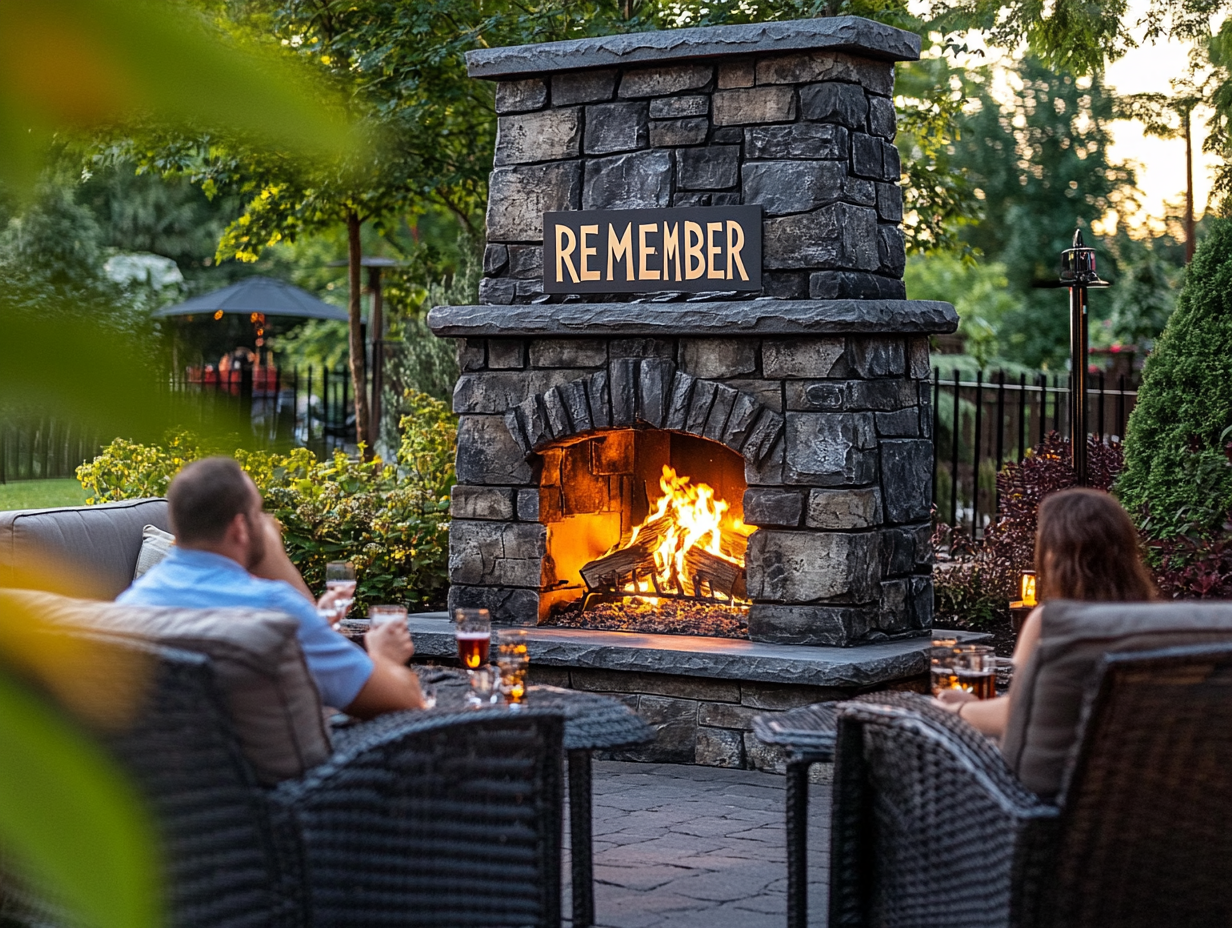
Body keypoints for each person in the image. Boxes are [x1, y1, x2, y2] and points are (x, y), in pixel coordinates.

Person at [118, 457, 425, 717]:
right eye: (259, 512)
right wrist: (383, 655)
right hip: (297, 783)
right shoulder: (276, 612)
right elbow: (404, 699)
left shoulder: (128, 606)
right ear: (240, 528)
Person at [937, 487, 1157, 738]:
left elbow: (1018, 714)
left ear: (1053, 556)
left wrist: (955, 710)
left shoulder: (1051, 622)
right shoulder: (1153, 624)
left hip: (1047, 773)